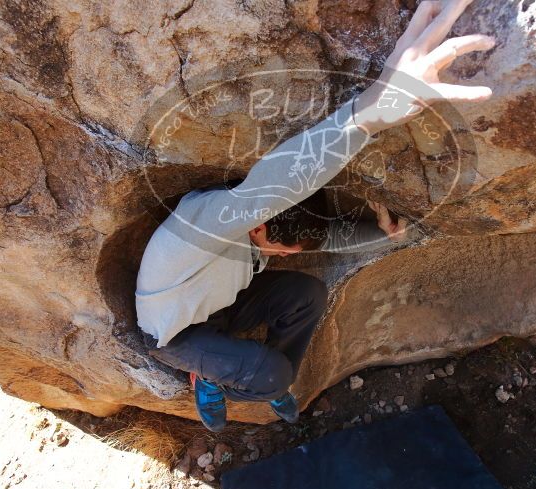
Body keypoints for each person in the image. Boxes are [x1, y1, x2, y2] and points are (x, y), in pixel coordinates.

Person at [135, 0, 494, 432]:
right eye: (283, 249)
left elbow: (325, 238)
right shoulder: (208, 221)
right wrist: (365, 117)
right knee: (272, 376)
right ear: (260, 225)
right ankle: (222, 378)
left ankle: (261, 374)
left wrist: (386, 235)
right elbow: (278, 183)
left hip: (221, 305)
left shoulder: (255, 233)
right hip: (176, 333)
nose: (285, 255)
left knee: (306, 294)